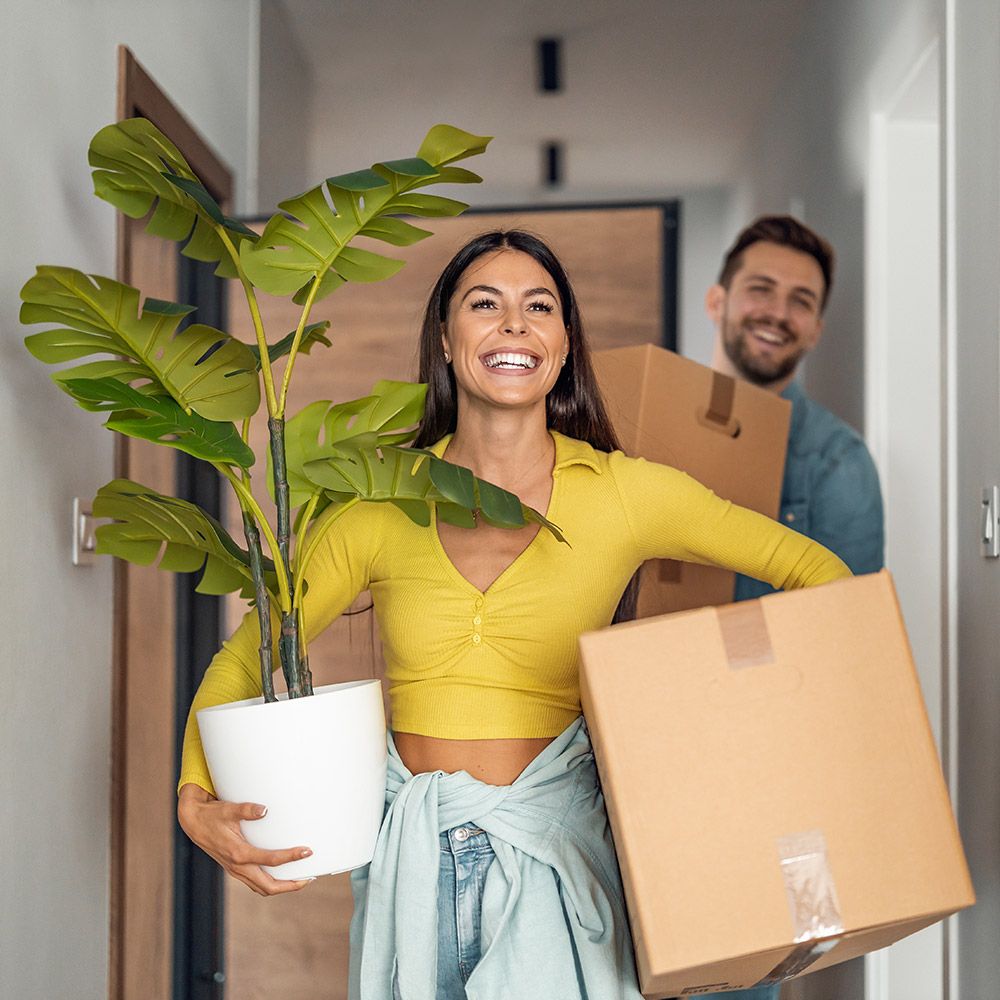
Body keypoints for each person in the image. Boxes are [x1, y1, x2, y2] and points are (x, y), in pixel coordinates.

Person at [178, 230, 851, 1000]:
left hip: (562, 868)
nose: (513, 324)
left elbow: (817, 572)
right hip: (412, 872)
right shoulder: (379, 505)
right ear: (446, 337)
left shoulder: (627, 493)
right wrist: (195, 794)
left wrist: (740, 737)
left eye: (539, 306)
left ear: (563, 345)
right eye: (484, 304)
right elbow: (251, 652)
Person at [706, 215, 884, 603]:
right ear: (716, 303)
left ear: (816, 330)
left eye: (801, 301)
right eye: (761, 289)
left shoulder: (838, 461)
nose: (779, 314)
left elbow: (850, 620)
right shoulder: (651, 425)